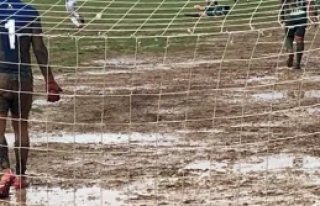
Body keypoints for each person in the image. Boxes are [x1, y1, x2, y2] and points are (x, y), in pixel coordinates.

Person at [0, 0, 62, 198]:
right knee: (21, 126)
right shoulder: (30, 12)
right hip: (23, 78)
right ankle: (20, 174)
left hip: (0, 77)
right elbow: (39, 49)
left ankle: (4, 171)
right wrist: (49, 80)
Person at [279, 0, 317, 69]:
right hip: (301, 17)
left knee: (288, 36)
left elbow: (282, 2)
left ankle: (290, 51)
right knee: (300, 39)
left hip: (289, 17)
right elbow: (310, 2)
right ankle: (297, 63)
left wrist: (281, 17)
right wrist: (314, 15)